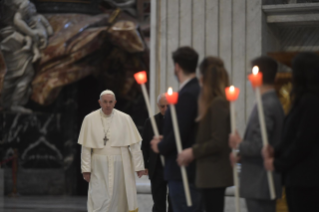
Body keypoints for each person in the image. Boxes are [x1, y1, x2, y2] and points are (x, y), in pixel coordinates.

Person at [263, 52, 319, 212]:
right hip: (297, 178)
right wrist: (275, 150)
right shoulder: (303, 100)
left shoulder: (312, 102)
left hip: (307, 180)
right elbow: (291, 135)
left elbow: (302, 142)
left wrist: (277, 163)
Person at [177, 56, 233, 212]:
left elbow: (218, 141)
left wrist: (192, 152)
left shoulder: (218, 103)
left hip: (214, 176)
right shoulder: (211, 104)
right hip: (208, 176)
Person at [229, 56, 284, 212]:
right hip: (261, 183)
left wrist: (239, 144)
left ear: (257, 75)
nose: (248, 78)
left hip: (260, 182)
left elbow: (261, 146)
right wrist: (241, 154)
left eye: (250, 73)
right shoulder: (270, 101)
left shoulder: (266, 104)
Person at [150, 46, 201, 212]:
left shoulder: (186, 95)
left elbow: (180, 132)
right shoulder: (199, 90)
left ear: (177, 66)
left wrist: (161, 146)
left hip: (183, 171)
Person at [78, 90, 146, 212]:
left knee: (119, 198)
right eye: (105, 102)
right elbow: (86, 149)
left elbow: (135, 147)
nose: (108, 105)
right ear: (100, 102)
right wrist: (86, 169)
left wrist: (139, 166)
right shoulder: (89, 119)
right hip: (98, 165)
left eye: (110, 102)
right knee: (99, 197)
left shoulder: (125, 118)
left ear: (115, 103)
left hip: (121, 164)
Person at [141, 93, 173, 212]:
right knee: (158, 201)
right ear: (158, 106)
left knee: (173, 201)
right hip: (157, 167)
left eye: (168, 106)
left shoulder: (178, 122)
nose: (165, 109)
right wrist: (144, 164)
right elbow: (144, 145)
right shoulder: (151, 122)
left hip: (173, 166)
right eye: (162, 106)